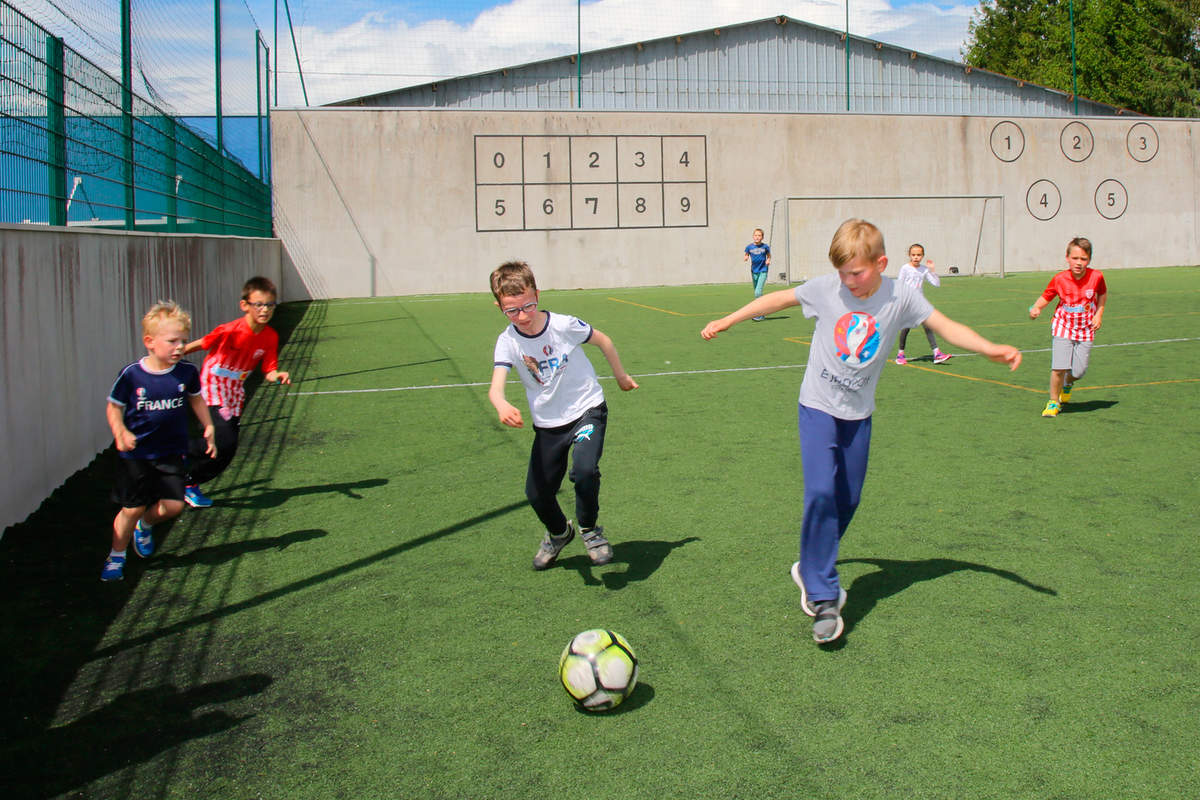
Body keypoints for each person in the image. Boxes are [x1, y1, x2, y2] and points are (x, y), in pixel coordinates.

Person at [701, 219, 1022, 644]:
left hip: (859, 414)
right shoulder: (827, 289)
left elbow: (945, 326)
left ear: (881, 263)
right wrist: (730, 319)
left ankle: (810, 563)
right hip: (817, 407)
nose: (848, 281)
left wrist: (988, 348)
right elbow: (779, 299)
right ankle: (823, 596)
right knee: (820, 493)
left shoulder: (900, 295)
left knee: (848, 498)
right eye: (842, 273)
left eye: (857, 273)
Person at [487, 261, 639, 570]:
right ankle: (559, 533)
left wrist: (620, 376)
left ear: (537, 295)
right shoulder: (508, 342)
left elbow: (604, 340)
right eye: (512, 311)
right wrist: (501, 404)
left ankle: (589, 530)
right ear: (499, 307)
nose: (523, 316)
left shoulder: (563, 325)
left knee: (583, 470)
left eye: (528, 306)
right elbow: (495, 387)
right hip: (548, 424)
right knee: (536, 492)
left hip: (587, 409)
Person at [102, 302, 217, 581]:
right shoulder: (132, 375)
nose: (179, 347)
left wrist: (209, 425)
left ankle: (146, 524)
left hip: (171, 453)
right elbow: (114, 406)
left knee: (174, 506)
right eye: (172, 341)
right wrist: (120, 431)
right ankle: (116, 554)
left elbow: (196, 398)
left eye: (183, 341)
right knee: (132, 507)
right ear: (150, 342)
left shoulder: (186, 372)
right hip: (137, 456)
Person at [181, 276, 290, 507]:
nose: (265, 310)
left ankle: (189, 482)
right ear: (245, 305)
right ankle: (177, 452)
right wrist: (175, 354)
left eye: (270, 305)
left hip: (234, 393)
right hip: (212, 386)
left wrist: (277, 375)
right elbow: (203, 343)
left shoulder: (270, 337)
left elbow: (269, 369)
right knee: (225, 439)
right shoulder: (230, 330)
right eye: (259, 304)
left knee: (227, 450)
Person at [1029, 237, 1106, 418]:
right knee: (1058, 368)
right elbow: (1047, 295)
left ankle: (1068, 383)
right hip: (1063, 326)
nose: (1079, 263)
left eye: (1083, 259)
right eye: (1075, 258)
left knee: (1079, 371)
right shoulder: (1060, 279)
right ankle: (1053, 402)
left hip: (1085, 328)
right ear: (1067, 258)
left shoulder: (1097, 277)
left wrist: (1099, 314)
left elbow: (1102, 294)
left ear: (1089, 260)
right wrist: (1037, 307)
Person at [894, 243, 951, 365]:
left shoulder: (924, 269)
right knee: (906, 328)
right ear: (909, 255)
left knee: (928, 326)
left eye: (919, 255)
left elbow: (936, 283)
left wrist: (932, 270)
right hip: (908, 302)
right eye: (913, 255)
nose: (916, 257)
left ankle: (937, 354)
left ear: (922, 256)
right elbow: (899, 285)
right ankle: (900, 355)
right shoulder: (905, 268)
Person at [744, 228, 771, 320]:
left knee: (758, 292)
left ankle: (759, 314)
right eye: (755, 235)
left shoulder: (765, 247)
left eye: (759, 235)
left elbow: (769, 255)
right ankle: (761, 312)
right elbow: (746, 253)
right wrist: (746, 257)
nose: (757, 237)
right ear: (753, 236)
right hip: (754, 271)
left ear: (762, 237)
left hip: (763, 270)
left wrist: (768, 259)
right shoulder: (749, 247)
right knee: (757, 294)